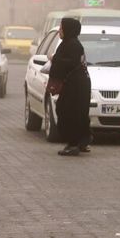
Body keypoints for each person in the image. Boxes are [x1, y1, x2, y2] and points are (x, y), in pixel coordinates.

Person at [48, 18, 91, 156]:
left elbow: (71, 63)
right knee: (76, 113)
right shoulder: (68, 43)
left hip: (76, 86)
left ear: (68, 30)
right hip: (74, 84)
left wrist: (54, 59)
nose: (59, 31)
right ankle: (82, 141)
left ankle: (73, 144)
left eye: (61, 28)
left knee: (68, 112)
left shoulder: (73, 45)